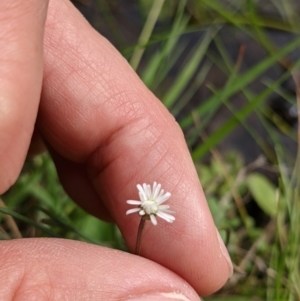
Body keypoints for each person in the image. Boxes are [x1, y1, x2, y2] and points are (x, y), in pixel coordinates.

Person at [0, 1, 233, 299]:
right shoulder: (144, 208)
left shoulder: (151, 210)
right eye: (149, 204)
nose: (150, 205)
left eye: (151, 205)